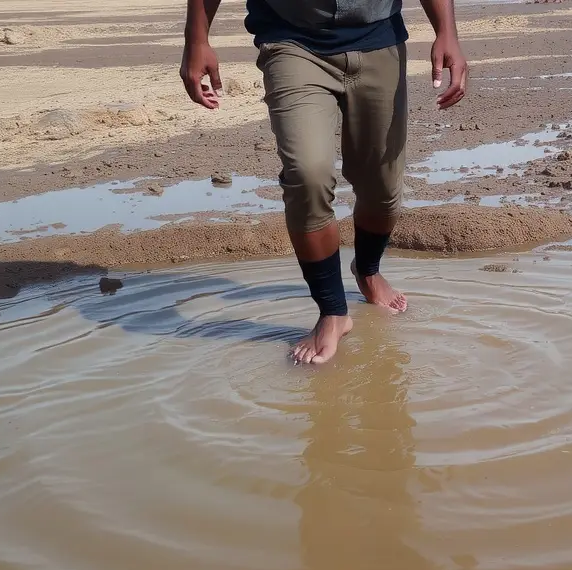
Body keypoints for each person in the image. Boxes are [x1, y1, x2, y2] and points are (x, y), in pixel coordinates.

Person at [181, 0, 469, 364]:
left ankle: (367, 270)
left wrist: (447, 31)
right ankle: (332, 311)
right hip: (292, 43)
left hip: (379, 40)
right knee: (307, 175)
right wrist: (196, 38)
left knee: (383, 191)